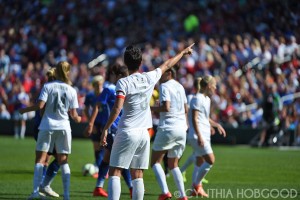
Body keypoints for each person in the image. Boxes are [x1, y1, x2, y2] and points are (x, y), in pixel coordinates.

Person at [100, 43, 194, 200]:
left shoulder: (123, 83)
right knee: (138, 174)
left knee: (115, 171)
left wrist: (105, 128)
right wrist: (183, 52)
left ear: (125, 62)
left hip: (127, 131)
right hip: (144, 134)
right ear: (141, 62)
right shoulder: (149, 77)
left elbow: (117, 109)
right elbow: (168, 64)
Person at [19, 61, 81, 200]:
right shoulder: (72, 90)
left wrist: (24, 110)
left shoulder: (48, 86)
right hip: (64, 127)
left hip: (47, 126)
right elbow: (74, 115)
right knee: (63, 161)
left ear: (56, 72)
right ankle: (66, 195)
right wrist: (79, 119)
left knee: (40, 159)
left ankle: (35, 192)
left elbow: (40, 105)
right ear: (68, 72)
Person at [85, 64, 132, 197]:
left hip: (121, 128)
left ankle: (98, 187)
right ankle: (132, 187)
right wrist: (91, 123)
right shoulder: (109, 89)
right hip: (113, 128)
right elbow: (96, 106)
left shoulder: (123, 88)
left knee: (108, 159)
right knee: (120, 159)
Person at [150, 64, 188, 200]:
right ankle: (183, 195)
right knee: (173, 164)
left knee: (154, 162)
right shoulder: (180, 86)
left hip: (168, 127)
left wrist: (151, 108)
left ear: (169, 73)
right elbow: (186, 109)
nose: (160, 75)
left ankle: (165, 192)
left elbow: (166, 107)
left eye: (163, 72)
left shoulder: (164, 86)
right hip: (181, 129)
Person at [187, 75, 226, 197]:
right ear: (209, 86)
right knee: (211, 160)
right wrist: (199, 136)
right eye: (214, 86)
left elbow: (205, 118)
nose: (215, 88)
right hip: (197, 135)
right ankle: (197, 185)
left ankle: (195, 190)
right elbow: (194, 118)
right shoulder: (197, 99)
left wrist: (216, 125)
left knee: (199, 162)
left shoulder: (206, 99)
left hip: (204, 134)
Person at [32, 68, 60, 198]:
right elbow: (41, 110)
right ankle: (43, 186)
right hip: (45, 128)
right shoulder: (53, 89)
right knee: (60, 157)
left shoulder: (46, 88)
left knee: (45, 159)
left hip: (40, 127)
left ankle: (40, 188)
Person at [180, 77, 209, 184]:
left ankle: (195, 177)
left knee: (198, 154)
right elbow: (187, 112)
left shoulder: (202, 98)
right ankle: (195, 180)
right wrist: (187, 123)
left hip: (198, 129)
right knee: (199, 154)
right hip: (194, 129)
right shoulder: (192, 97)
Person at [83, 75, 105, 175]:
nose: (98, 87)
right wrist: (90, 122)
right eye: (96, 85)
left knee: (105, 145)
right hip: (95, 123)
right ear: (93, 85)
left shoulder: (106, 93)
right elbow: (86, 110)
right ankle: (98, 166)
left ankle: (103, 167)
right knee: (96, 146)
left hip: (105, 123)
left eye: (100, 84)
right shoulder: (90, 95)